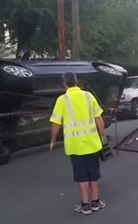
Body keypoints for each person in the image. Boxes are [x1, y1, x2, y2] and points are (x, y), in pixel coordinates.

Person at [49, 72, 107, 215]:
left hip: (75, 146)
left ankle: (85, 206)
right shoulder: (88, 96)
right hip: (92, 143)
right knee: (93, 174)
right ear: (76, 81)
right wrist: (103, 135)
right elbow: (98, 118)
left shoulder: (62, 100)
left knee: (81, 176)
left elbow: (56, 123)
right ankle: (96, 202)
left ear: (64, 84)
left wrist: (52, 141)